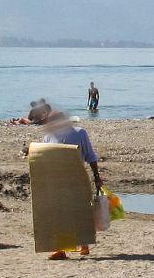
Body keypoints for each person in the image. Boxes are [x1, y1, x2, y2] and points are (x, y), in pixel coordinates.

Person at [29, 100, 101, 259]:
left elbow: (90, 157)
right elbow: (43, 160)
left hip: (77, 180)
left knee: (80, 213)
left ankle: (84, 244)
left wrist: (97, 177)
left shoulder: (80, 133)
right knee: (60, 215)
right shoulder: (48, 137)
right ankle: (61, 249)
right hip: (57, 183)